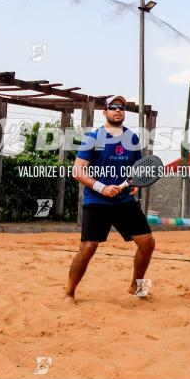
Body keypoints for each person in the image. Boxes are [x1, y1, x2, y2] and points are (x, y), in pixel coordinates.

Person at [66, 95, 155, 302]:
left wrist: (134, 185)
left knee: (148, 243)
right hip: (97, 201)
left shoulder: (132, 138)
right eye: (113, 107)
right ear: (104, 112)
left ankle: (138, 287)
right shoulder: (93, 137)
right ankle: (69, 293)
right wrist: (102, 187)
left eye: (122, 107)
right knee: (88, 248)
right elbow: (77, 171)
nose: (118, 110)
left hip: (123, 201)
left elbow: (137, 171)